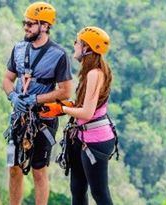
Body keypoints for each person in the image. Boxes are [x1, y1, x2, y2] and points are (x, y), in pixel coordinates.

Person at [2, 2, 72, 205]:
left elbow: (66, 90)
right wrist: (13, 96)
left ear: (45, 26)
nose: (25, 27)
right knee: (13, 168)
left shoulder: (58, 55)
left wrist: (36, 99)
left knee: (39, 171)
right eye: (25, 23)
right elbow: (7, 79)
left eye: (30, 24)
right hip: (19, 118)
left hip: (42, 120)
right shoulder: (19, 48)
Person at [40, 26, 117, 205]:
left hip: (95, 140)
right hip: (83, 138)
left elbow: (88, 113)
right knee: (77, 188)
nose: (74, 45)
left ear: (87, 48)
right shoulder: (92, 72)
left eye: (78, 42)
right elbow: (87, 106)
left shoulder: (94, 74)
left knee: (99, 193)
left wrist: (62, 109)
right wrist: (66, 106)